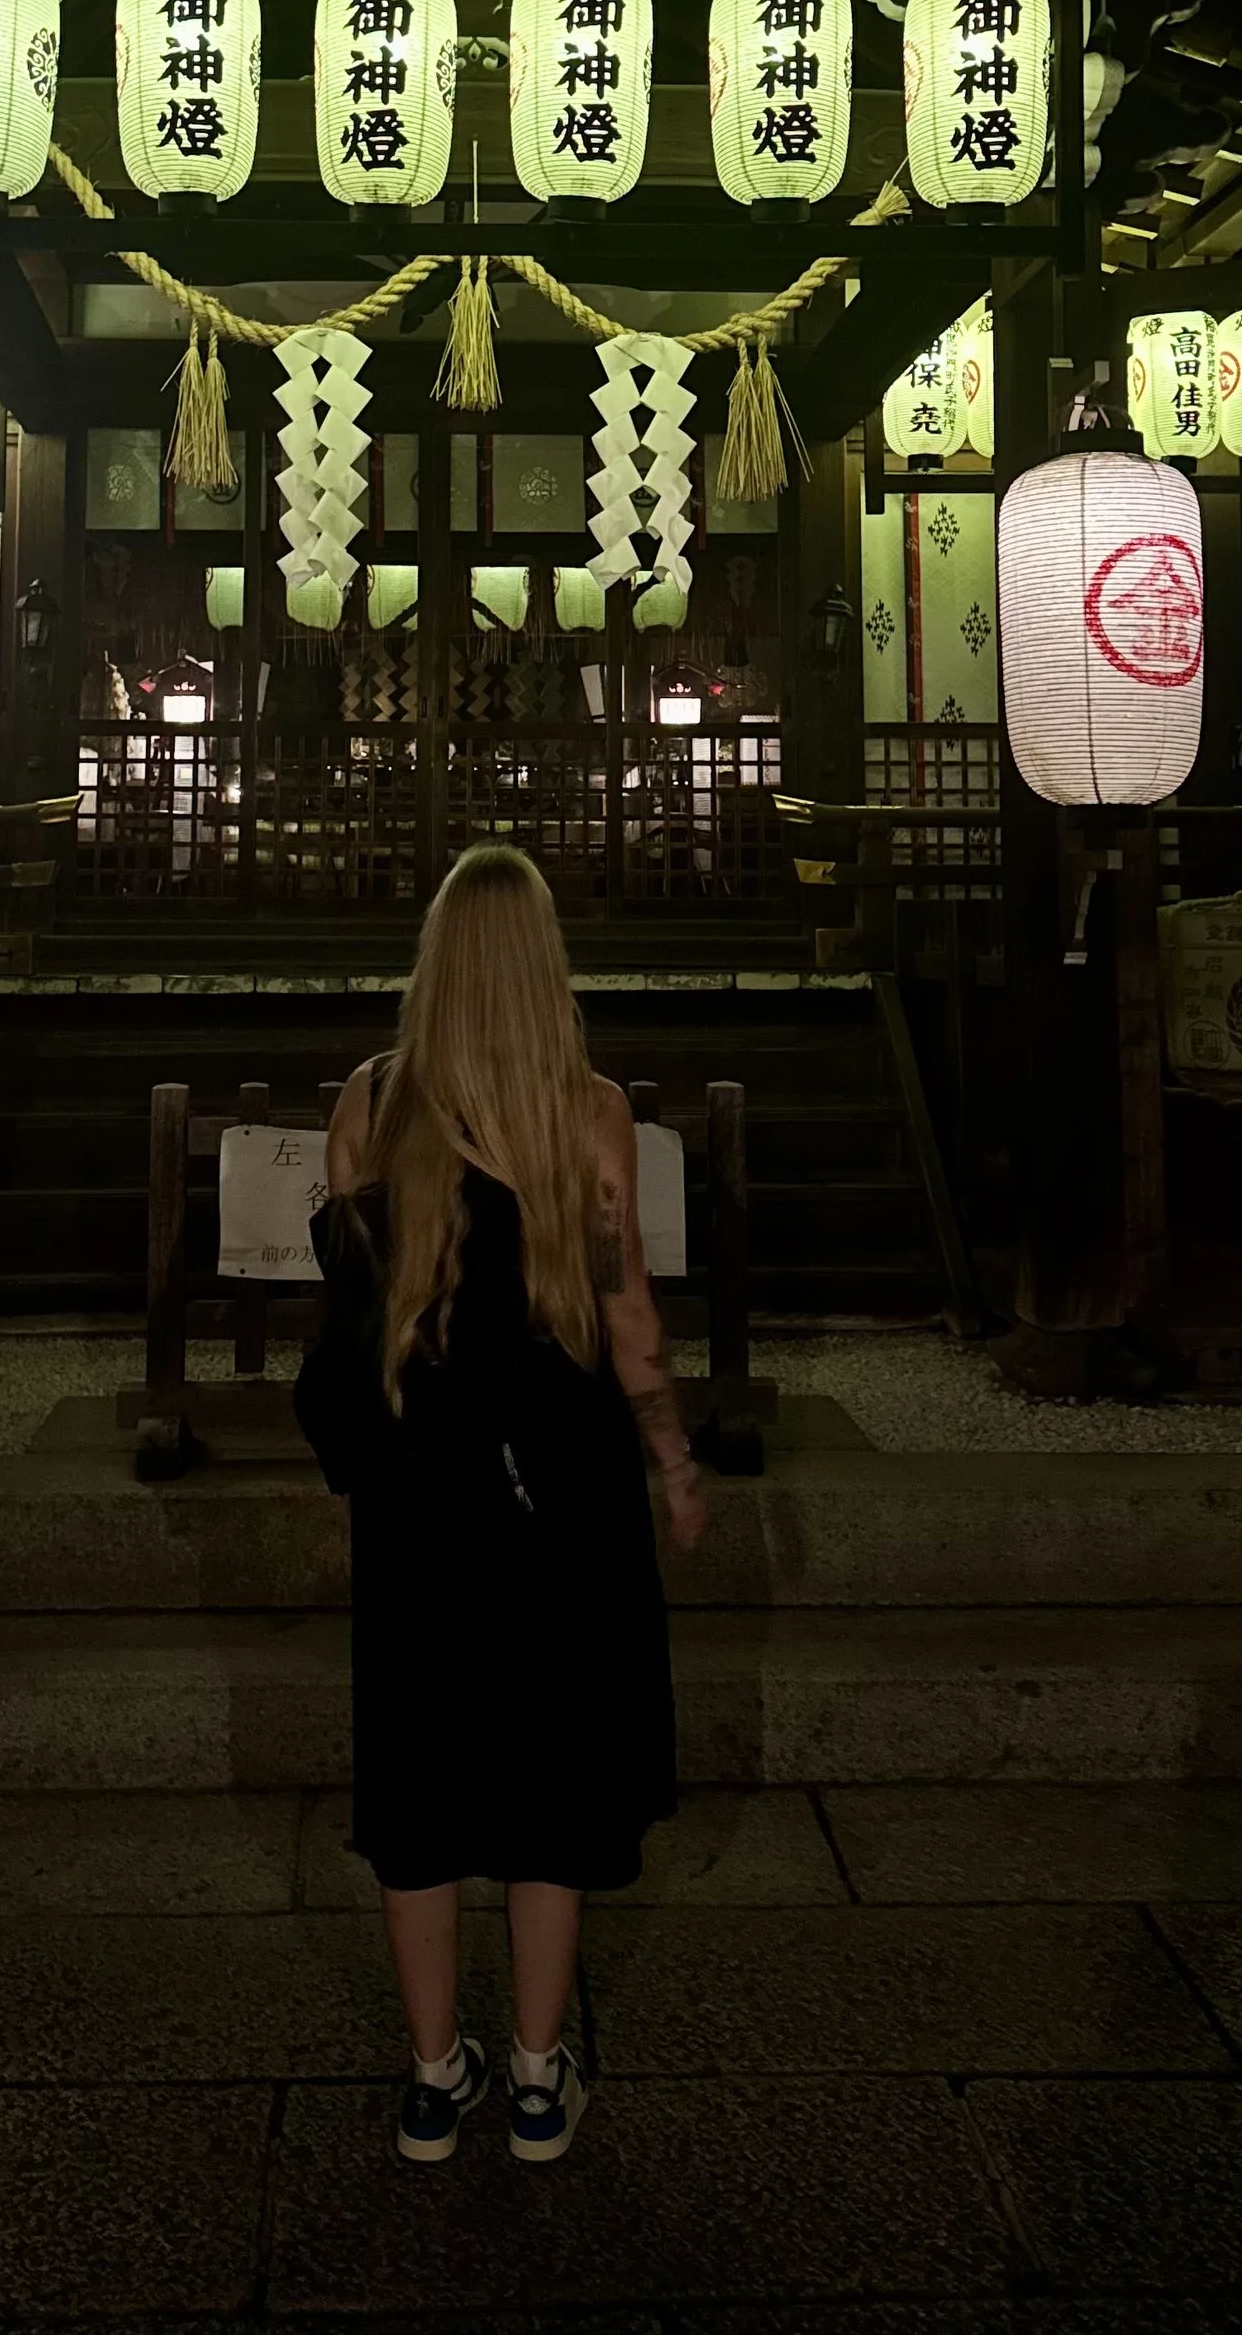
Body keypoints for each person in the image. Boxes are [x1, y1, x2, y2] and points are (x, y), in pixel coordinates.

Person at [294, 842, 708, 2168]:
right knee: (550, 1774)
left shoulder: (367, 1103)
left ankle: (431, 2080)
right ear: (543, 968)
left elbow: (356, 1320)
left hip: (418, 1497)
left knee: (421, 1781)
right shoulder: (587, 1113)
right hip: (562, 1495)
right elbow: (627, 1315)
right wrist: (673, 1459)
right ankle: (536, 2077)